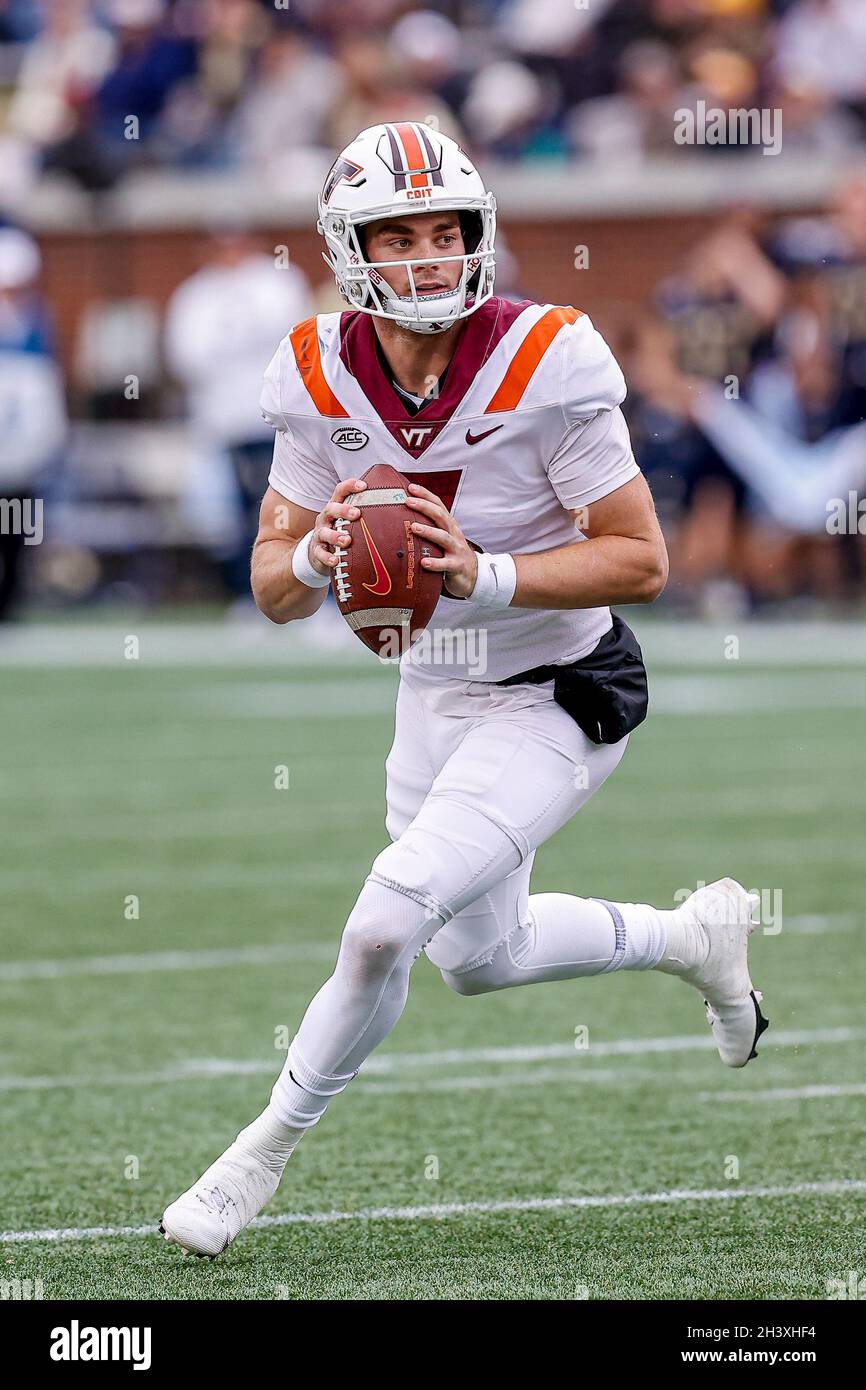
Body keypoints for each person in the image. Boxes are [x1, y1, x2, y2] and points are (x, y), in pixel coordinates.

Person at [160, 123, 767, 1258]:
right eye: (403, 235)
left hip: (556, 684)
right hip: (430, 699)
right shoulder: (309, 370)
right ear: (351, 248)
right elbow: (271, 587)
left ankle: (260, 1152)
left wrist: (479, 575)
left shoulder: (548, 357)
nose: (433, 257)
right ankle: (693, 935)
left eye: (449, 231)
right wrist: (316, 551)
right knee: (478, 959)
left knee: (382, 923)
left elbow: (641, 558)